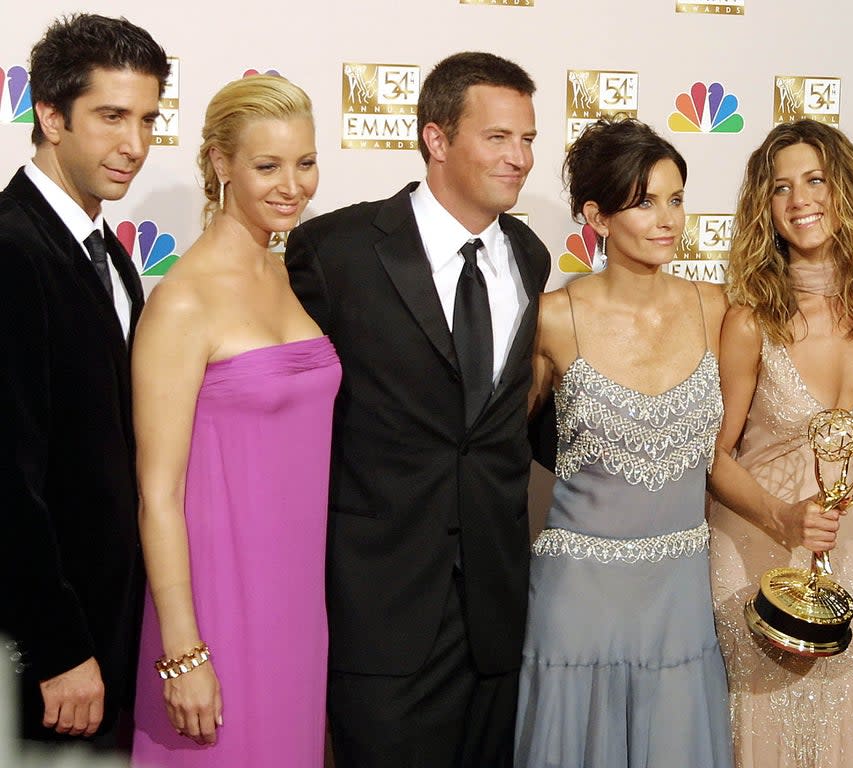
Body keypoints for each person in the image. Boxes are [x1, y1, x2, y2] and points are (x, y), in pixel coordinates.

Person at [285, 51, 550, 768]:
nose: (519, 157)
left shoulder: (529, 254)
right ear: (436, 139)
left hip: (494, 604)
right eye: (498, 137)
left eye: (527, 138)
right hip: (380, 600)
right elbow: (292, 423)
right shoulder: (335, 251)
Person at [128, 76, 339, 766]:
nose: (293, 185)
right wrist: (184, 650)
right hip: (217, 599)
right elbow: (158, 494)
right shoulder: (183, 301)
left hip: (297, 602)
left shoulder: (285, 273)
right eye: (267, 165)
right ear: (220, 163)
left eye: (304, 163)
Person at [515, 117, 733, 768]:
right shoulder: (555, 317)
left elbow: (754, 433)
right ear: (597, 216)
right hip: (578, 598)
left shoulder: (718, 308)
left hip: (680, 595)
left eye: (675, 198)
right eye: (644, 202)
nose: (667, 219)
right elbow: (492, 449)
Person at [706, 120, 853, 767]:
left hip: (852, 558)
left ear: (843, 188)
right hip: (757, 553)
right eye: (781, 187)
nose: (800, 200)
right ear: (765, 208)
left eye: (815, 180)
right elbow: (714, 455)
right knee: (765, 743)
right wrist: (783, 516)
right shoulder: (750, 318)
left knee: (844, 736)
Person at [0, 14, 169, 753]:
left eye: (146, 119)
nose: (133, 144)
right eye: (110, 116)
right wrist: (58, 646)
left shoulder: (109, 255)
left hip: (110, 627)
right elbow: (7, 476)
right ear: (48, 115)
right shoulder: (11, 249)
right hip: (43, 650)